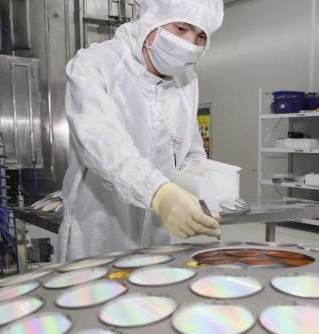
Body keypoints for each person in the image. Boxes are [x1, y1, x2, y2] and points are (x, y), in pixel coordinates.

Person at [58, 0, 224, 261]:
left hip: (157, 235)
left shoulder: (187, 81)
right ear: (152, 21)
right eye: (182, 28)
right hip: (99, 236)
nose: (190, 42)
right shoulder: (96, 65)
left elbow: (189, 152)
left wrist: (205, 193)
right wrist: (160, 194)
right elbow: (103, 144)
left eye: (201, 35)